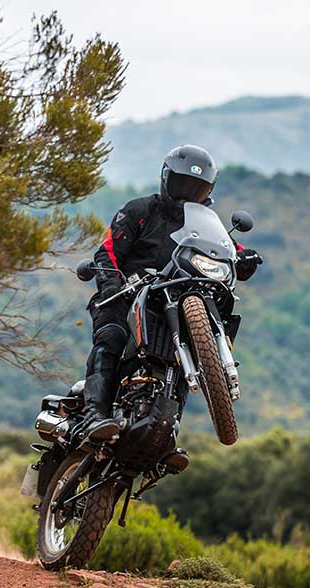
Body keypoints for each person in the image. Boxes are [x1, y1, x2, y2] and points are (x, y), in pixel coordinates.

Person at [76, 144, 264, 446]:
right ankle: (94, 415)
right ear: (167, 180)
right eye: (182, 185)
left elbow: (228, 252)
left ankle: (167, 429)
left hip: (177, 302)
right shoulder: (139, 211)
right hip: (128, 295)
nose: (188, 194)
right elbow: (107, 252)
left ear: (208, 191)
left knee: (183, 356)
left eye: (197, 189)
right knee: (112, 336)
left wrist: (246, 258)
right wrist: (112, 286)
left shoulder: (207, 225)